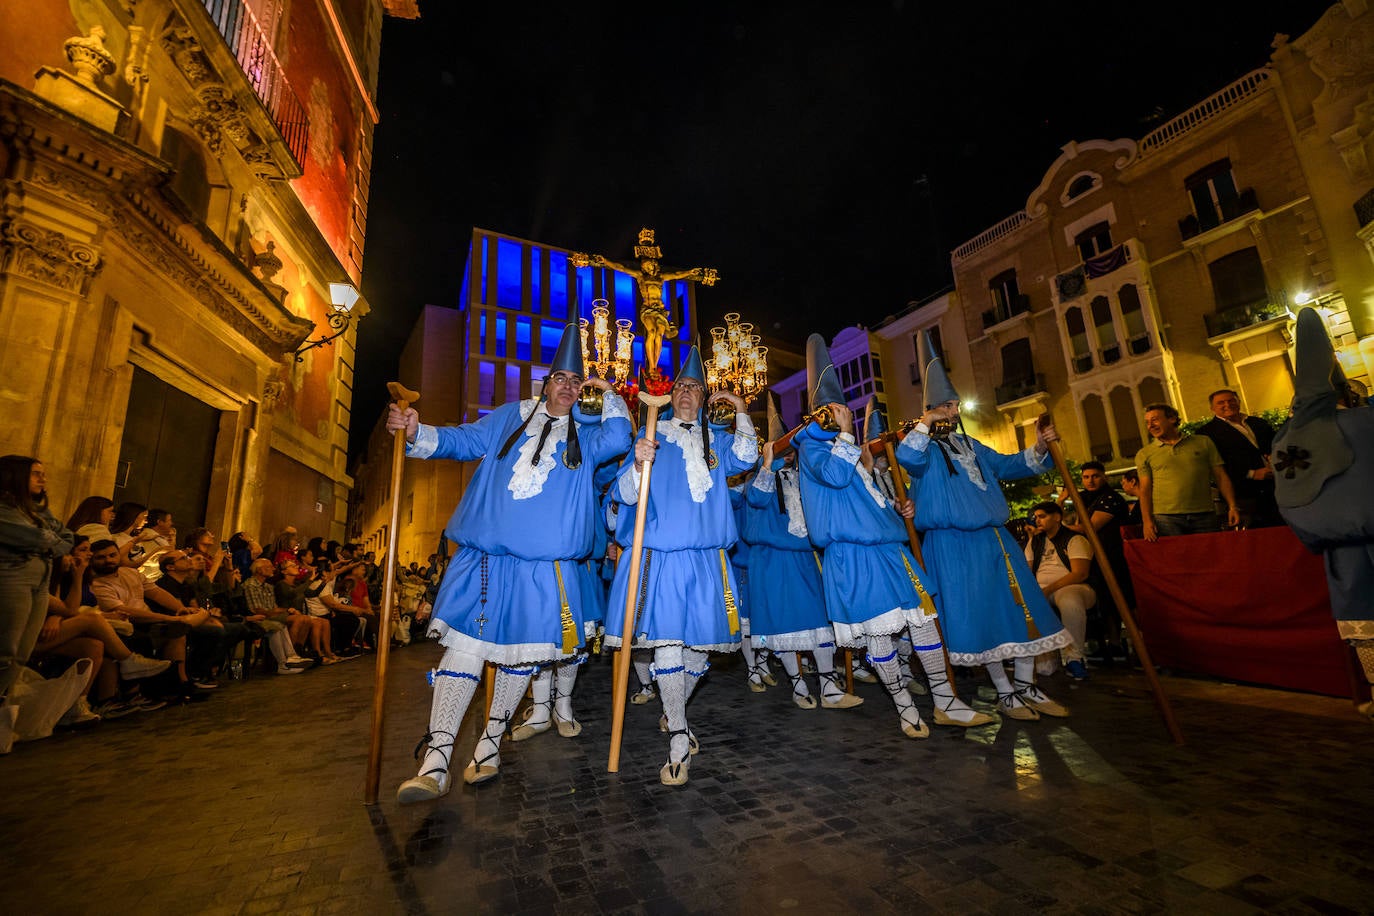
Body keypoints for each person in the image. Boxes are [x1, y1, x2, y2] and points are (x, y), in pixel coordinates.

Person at [391, 323, 632, 803]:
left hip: (545, 569)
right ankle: (436, 760)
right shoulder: (507, 416)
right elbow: (462, 441)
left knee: (518, 658)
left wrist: (607, 394)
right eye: (559, 378)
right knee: (463, 654)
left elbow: (622, 436)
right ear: (544, 383)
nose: (567, 386)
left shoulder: (591, 437)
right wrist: (418, 430)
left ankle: (489, 745)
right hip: (484, 561)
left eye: (576, 382)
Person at [796, 334, 991, 737]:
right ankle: (904, 706)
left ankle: (945, 702)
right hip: (852, 557)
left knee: (923, 625)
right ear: (816, 414)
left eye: (840, 409)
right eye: (829, 411)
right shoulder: (811, 451)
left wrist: (896, 511)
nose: (837, 416)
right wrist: (847, 437)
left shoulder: (846, 450)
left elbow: (862, 499)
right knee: (880, 635)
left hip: (890, 552)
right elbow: (834, 478)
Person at [895, 331, 1074, 722]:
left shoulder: (972, 445)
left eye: (955, 405)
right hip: (952, 545)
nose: (953, 411)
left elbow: (1011, 465)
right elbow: (906, 457)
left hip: (996, 539)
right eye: (945, 406)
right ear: (930, 409)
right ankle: (1006, 693)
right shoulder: (920, 447)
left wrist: (1042, 446)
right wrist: (926, 422)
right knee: (980, 617)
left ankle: (1028, 687)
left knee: (1020, 608)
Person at [604, 345, 757, 786]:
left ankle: (676, 714)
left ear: (704, 397)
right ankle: (677, 736)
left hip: (709, 559)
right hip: (662, 557)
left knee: (699, 650)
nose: (687, 392)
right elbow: (627, 496)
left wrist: (742, 409)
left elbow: (747, 458)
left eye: (695, 387)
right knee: (669, 645)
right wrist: (637, 463)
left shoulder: (718, 440)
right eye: (681, 386)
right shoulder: (652, 434)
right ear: (670, 394)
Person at [1272, 308, 1374, 717]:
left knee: (1365, 625)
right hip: (1348, 552)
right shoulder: (1364, 422)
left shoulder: (1292, 436)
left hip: (1342, 552)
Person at [742, 394, 861, 711]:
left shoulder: (804, 474)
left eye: (791, 451)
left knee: (817, 621)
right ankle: (797, 685)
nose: (791, 457)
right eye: (785, 450)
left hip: (806, 557)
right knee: (784, 625)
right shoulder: (756, 478)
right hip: (772, 561)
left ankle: (827, 686)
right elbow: (755, 500)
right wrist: (768, 463)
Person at [89, 539, 211, 700]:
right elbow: (126, 612)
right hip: (125, 625)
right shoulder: (97, 584)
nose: (108, 560)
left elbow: (156, 593)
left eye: (112, 555)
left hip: (148, 620)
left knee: (177, 634)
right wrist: (169, 618)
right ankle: (141, 693)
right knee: (172, 629)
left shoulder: (131, 573)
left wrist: (179, 608)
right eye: (101, 557)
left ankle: (179, 685)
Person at [0, 456, 74, 697]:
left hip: (40, 584)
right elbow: (38, 538)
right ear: (15, 476)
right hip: (12, 579)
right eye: (35, 473)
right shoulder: (4, 509)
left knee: (22, 652)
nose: (43, 479)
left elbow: (67, 539)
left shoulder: (37, 509)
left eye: (43, 473)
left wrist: (48, 540)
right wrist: (48, 540)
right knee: (5, 650)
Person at [1134, 403, 1240, 540]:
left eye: (1154, 420)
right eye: (1147, 422)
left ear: (1172, 419)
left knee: (1211, 558)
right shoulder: (1145, 453)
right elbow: (1145, 490)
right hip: (1166, 519)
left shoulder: (1203, 442)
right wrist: (1147, 521)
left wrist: (1232, 506)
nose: (1150, 425)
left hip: (1205, 514)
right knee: (1178, 559)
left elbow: (1221, 476)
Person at [1062, 461, 1133, 661]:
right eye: (1086, 477)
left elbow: (1090, 527)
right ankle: (1107, 643)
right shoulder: (1083, 498)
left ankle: (1119, 643)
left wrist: (1061, 528)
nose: (1090, 480)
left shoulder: (1111, 498)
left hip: (1112, 555)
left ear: (1104, 477)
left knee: (1118, 599)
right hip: (1091, 557)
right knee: (1102, 601)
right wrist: (1061, 499)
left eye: (1095, 476)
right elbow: (1062, 517)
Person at [1025, 502, 1095, 680]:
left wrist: (1048, 590)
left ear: (1057, 517)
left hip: (1072, 586)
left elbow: (1080, 573)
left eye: (1042, 516)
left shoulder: (1074, 539)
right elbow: (1027, 570)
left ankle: (1075, 657)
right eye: (1036, 517)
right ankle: (1044, 656)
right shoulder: (1035, 541)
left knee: (1070, 601)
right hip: (1042, 589)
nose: (1037, 520)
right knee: (1025, 603)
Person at [1198, 389, 1280, 528]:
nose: (1227, 405)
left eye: (1231, 400)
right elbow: (1218, 467)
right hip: (1243, 496)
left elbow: (1275, 445)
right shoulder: (1206, 433)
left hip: (1275, 488)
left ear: (1239, 402)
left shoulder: (1258, 422)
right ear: (1212, 408)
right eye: (1221, 403)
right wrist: (1252, 474)